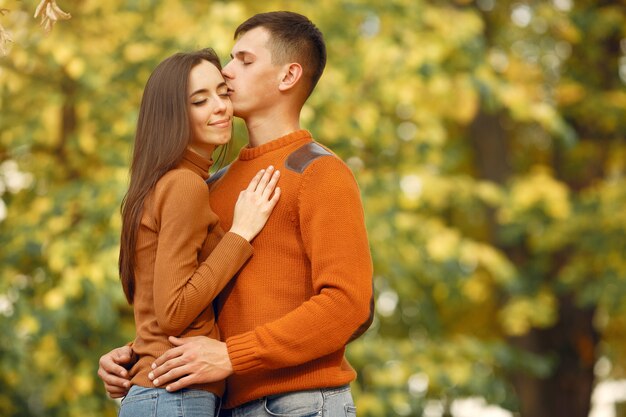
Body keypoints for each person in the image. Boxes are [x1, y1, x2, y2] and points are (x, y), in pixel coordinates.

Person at [98, 11, 374, 416]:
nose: (226, 72)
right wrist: (137, 356)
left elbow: (349, 305)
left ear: (287, 76)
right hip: (219, 404)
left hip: (301, 404)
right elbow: (190, 302)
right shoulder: (211, 185)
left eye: (244, 60)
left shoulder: (319, 172)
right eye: (229, 58)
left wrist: (233, 355)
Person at [110, 47, 281, 417]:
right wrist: (241, 233)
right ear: (173, 114)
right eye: (200, 101)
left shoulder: (162, 185)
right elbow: (173, 312)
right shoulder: (184, 186)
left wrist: (130, 355)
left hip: (161, 394)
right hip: (175, 397)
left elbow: (156, 311)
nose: (220, 107)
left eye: (223, 92)